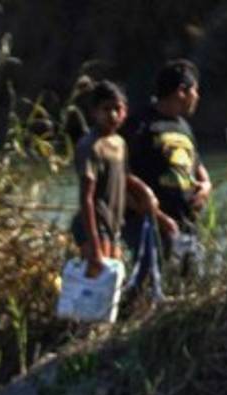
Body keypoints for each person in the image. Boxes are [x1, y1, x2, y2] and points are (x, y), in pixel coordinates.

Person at [122, 58, 213, 284]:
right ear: (182, 91)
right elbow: (120, 177)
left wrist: (206, 185)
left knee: (192, 286)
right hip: (149, 226)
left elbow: (196, 163)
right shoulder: (139, 124)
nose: (197, 97)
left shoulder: (184, 126)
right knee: (147, 287)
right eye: (195, 91)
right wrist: (157, 217)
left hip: (187, 224)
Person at [69, 81, 168, 280]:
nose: (113, 115)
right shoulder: (90, 146)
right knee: (97, 282)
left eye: (118, 109)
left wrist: (145, 192)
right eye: (106, 109)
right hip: (94, 225)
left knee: (113, 281)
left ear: (125, 111)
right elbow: (86, 198)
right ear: (94, 112)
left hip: (113, 224)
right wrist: (95, 247)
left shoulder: (119, 143)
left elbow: (123, 176)